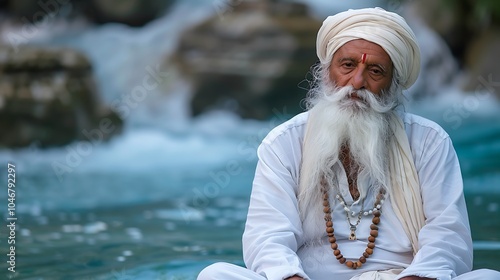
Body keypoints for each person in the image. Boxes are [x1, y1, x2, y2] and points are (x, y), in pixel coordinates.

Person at [197, 7, 500, 280]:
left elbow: (448, 237)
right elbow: (267, 238)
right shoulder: (284, 142)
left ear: (393, 84)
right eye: (347, 65)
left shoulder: (429, 142)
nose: (357, 82)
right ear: (326, 72)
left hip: (403, 278)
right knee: (215, 275)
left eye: (375, 71)